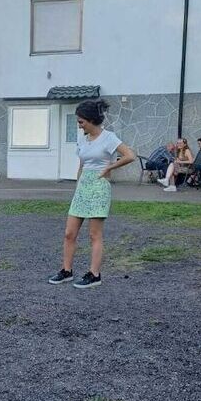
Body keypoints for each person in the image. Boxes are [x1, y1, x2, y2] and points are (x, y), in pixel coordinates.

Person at [49, 99, 135, 289]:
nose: (79, 126)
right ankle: (66, 271)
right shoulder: (83, 139)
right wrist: (78, 184)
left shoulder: (109, 137)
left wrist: (109, 168)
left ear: (91, 120)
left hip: (99, 187)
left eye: (81, 122)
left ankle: (94, 274)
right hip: (83, 187)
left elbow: (130, 155)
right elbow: (82, 164)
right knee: (69, 233)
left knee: (94, 234)